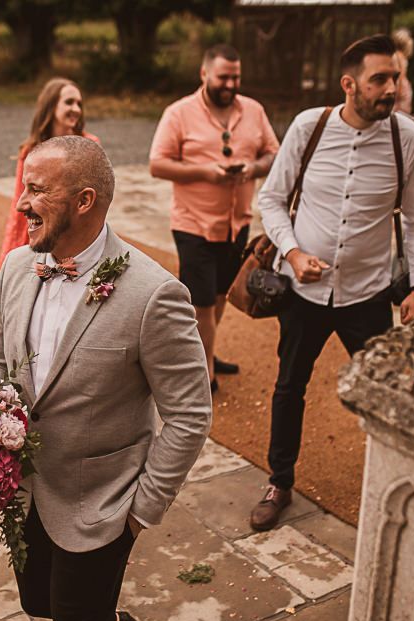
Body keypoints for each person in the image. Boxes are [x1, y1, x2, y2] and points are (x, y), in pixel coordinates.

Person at [0, 135, 211, 621]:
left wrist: (139, 513)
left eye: (36, 190)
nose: (21, 203)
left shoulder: (154, 294)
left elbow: (190, 415)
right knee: (38, 600)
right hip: (26, 491)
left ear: (83, 201)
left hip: (102, 505)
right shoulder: (18, 267)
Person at [251, 34, 414, 531]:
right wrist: (292, 252)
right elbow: (271, 199)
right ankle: (279, 481)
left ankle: (400, 486)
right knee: (290, 386)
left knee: (387, 391)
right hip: (304, 292)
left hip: (368, 294)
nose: (391, 88)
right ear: (349, 84)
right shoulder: (308, 127)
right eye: (379, 79)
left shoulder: (408, 139)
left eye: (395, 77)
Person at [149, 44, 279, 392]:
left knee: (221, 295)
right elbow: (157, 164)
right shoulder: (178, 113)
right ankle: (202, 370)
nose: (231, 83)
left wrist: (253, 167)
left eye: (236, 77)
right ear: (204, 74)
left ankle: (205, 349)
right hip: (193, 222)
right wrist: (207, 173)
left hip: (237, 223)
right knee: (201, 301)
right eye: (224, 76)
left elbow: (274, 153)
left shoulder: (253, 110)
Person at [0, 77, 98, 271]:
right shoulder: (31, 151)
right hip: (40, 234)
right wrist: (14, 253)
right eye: (69, 102)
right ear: (51, 106)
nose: (76, 109)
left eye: (79, 103)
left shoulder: (89, 146)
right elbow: (20, 203)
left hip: (76, 237)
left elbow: (96, 202)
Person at [392, 27, 414, 113]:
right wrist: (399, 91)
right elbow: (400, 75)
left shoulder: (395, 55)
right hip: (402, 87)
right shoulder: (400, 57)